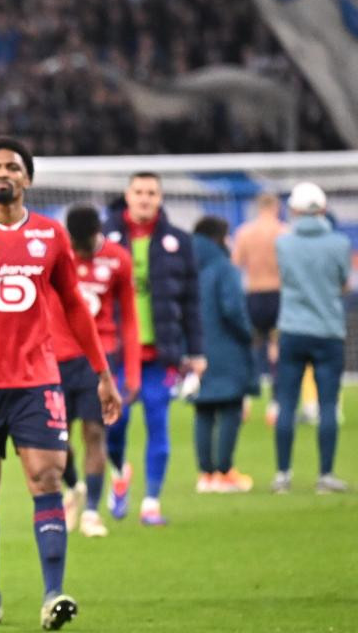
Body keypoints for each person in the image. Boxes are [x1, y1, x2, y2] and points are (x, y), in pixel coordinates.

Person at [0, 137, 120, 630]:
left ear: (28, 179)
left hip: (38, 381)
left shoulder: (51, 236)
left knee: (47, 478)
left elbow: (76, 308)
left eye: (13, 167)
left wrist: (102, 372)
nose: (3, 174)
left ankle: (53, 594)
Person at [102, 172, 204, 526]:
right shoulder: (105, 238)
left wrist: (197, 351)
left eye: (152, 193)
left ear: (160, 198)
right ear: (127, 196)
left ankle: (151, 501)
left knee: (158, 423)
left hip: (161, 354)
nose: (145, 198)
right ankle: (119, 472)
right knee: (116, 425)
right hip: (115, 354)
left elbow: (191, 301)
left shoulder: (179, 241)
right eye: (139, 192)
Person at [47, 205, 140, 537]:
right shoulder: (55, 254)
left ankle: (90, 513)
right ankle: (74, 487)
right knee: (57, 441)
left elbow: (129, 318)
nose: (80, 250)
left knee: (95, 434)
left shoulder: (118, 259)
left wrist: (131, 373)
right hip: (54, 359)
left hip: (97, 360)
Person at [271, 182, 350, 494]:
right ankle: (325, 476)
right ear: (324, 208)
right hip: (328, 331)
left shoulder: (284, 243)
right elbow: (343, 283)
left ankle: (282, 475)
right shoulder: (339, 243)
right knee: (328, 405)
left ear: (294, 209)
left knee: (287, 403)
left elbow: (286, 278)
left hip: (292, 329)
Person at [191, 216, 256, 493]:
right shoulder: (222, 266)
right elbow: (232, 309)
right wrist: (247, 333)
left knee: (203, 409)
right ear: (220, 237)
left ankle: (206, 475)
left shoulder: (186, 265)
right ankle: (225, 471)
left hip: (195, 348)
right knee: (230, 407)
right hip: (226, 347)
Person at [231, 193, 283, 424]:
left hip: (254, 294)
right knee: (277, 350)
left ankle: (244, 400)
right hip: (278, 295)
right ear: (276, 206)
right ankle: (275, 405)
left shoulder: (245, 232)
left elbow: (235, 265)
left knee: (249, 349)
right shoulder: (284, 232)